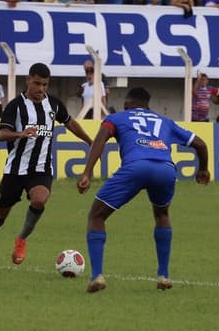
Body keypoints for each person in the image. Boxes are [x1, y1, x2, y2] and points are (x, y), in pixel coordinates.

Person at [76, 87, 210, 292]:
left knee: (96, 216)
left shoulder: (117, 118)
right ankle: (164, 275)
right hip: (165, 170)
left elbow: (100, 140)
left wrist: (87, 172)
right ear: (147, 105)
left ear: (127, 104)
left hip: (135, 167)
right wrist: (203, 169)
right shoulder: (165, 121)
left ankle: (97, 276)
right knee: (162, 213)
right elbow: (200, 144)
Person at [0, 63, 93, 269]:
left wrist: (91, 142)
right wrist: (20, 133)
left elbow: (70, 122)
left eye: (45, 84)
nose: (41, 89)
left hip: (41, 168)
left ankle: (21, 240)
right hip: (15, 170)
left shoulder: (54, 104)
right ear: (28, 80)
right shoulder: (15, 106)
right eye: (37, 83)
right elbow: (2, 134)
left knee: (40, 199)